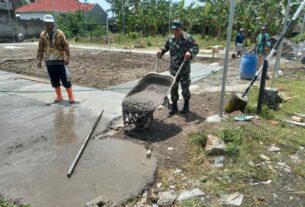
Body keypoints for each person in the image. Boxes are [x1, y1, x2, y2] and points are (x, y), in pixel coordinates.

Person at [157, 20, 199, 115]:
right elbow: (165, 46)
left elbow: (196, 47)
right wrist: (161, 51)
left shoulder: (188, 38)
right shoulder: (170, 38)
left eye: (176, 29)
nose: (174, 31)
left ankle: (186, 105)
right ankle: (174, 106)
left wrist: (190, 52)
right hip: (173, 69)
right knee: (173, 88)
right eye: (173, 29)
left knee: (185, 88)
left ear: (181, 28)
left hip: (184, 68)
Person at [37, 14, 75, 104]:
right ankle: (59, 96)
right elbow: (40, 49)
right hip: (49, 62)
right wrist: (39, 60)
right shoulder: (42, 35)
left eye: (49, 23)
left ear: (53, 23)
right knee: (54, 80)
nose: (47, 25)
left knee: (65, 79)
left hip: (60, 61)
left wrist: (67, 57)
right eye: (46, 23)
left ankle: (71, 96)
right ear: (44, 23)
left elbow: (66, 47)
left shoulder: (60, 33)